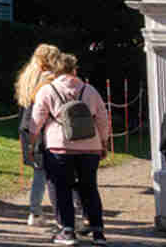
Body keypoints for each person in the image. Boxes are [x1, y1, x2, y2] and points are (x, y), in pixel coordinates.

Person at [30, 52, 110, 246]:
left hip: (59, 147)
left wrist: (32, 143)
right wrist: (103, 142)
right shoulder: (90, 90)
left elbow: (36, 120)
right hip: (89, 147)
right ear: (74, 69)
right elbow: (102, 118)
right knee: (89, 188)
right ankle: (98, 232)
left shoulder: (47, 90)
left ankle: (67, 231)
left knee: (61, 189)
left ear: (54, 70)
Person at [17, 44, 62, 228]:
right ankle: (67, 211)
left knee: (39, 173)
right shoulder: (49, 79)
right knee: (57, 173)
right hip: (44, 128)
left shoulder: (28, 76)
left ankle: (35, 212)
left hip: (27, 127)